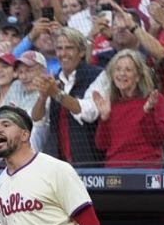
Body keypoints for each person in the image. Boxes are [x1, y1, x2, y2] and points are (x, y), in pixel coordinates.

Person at [31, 27, 108, 166]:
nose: (63, 53)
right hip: (58, 162)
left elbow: (89, 112)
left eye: (69, 48)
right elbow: (37, 119)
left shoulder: (98, 75)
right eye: (59, 48)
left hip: (90, 161)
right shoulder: (53, 80)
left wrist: (56, 93)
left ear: (82, 51)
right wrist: (42, 97)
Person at [92, 49, 164, 168]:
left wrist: (147, 111)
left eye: (128, 70)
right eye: (117, 69)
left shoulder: (155, 99)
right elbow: (102, 145)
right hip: (115, 170)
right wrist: (104, 118)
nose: (122, 74)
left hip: (145, 169)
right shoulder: (110, 103)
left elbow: (158, 139)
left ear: (138, 76)